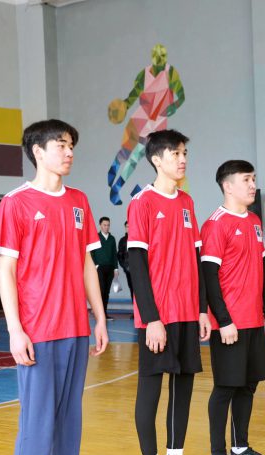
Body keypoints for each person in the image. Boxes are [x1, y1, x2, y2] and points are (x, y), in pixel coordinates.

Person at [0, 119, 109, 455]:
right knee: (37, 427)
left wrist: (99, 318)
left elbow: (87, 264)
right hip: (38, 332)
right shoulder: (16, 203)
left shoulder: (79, 201)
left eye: (71, 145)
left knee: (69, 424)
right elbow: (6, 271)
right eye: (61, 145)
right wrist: (15, 330)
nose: (69, 152)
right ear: (38, 152)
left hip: (76, 328)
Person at [127, 129, 212, 455]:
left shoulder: (188, 202)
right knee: (150, 392)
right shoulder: (142, 203)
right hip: (158, 316)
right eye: (175, 153)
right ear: (156, 159)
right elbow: (137, 265)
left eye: (184, 153)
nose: (182, 159)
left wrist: (201, 309)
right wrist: (151, 319)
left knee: (183, 389)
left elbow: (196, 260)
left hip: (187, 313)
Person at [201, 160, 265, 455]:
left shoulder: (255, 222)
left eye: (253, 179)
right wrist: (223, 320)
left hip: (253, 320)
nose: (252, 185)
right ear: (227, 185)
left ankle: (241, 448)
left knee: (248, 384)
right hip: (229, 324)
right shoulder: (215, 224)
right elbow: (209, 278)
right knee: (225, 388)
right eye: (246, 179)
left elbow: (261, 269)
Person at [106, 43, 185, 205]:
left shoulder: (171, 73)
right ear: (152, 56)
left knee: (136, 157)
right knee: (126, 150)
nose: (159, 58)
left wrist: (174, 106)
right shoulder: (145, 74)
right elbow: (134, 93)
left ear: (165, 57)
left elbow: (181, 96)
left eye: (162, 55)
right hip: (141, 116)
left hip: (157, 124)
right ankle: (113, 169)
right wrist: (125, 105)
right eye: (157, 55)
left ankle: (116, 188)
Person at [92, 216, 118, 321]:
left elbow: (114, 254)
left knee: (106, 292)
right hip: (100, 268)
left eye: (108, 225)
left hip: (110, 268)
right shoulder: (96, 237)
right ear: (100, 225)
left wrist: (116, 268)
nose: (106, 227)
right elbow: (92, 252)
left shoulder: (112, 239)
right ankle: (99, 314)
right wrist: (96, 265)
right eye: (104, 225)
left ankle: (104, 314)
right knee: (101, 291)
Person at [117, 220, 134, 303]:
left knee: (140, 289)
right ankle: (134, 308)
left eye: (130, 227)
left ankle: (140, 309)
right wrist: (125, 267)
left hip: (139, 270)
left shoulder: (137, 239)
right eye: (127, 227)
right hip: (128, 270)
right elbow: (120, 256)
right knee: (132, 288)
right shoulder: (122, 240)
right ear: (125, 228)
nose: (129, 228)